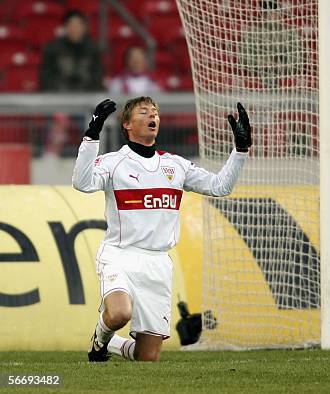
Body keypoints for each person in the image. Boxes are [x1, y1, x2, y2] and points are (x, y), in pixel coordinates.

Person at [72, 97, 251, 362]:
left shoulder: (175, 166)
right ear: (128, 125)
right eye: (143, 112)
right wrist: (92, 134)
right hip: (120, 254)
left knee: (147, 357)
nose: (152, 115)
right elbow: (82, 182)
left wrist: (240, 150)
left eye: (155, 111)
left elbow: (219, 186)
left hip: (157, 263)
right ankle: (100, 339)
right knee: (120, 313)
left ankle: (112, 346)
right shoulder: (114, 162)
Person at [238, 0, 305, 88]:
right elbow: (243, 58)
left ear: (280, 14)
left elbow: (299, 59)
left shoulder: (291, 33)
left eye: (274, 13)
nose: (271, 16)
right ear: (262, 15)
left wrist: (281, 65)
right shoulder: (251, 33)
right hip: (257, 75)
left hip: (285, 76)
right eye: (267, 13)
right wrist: (263, 62)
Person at [39, 10, 103, 91]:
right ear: (65, 28)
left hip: (87, 97)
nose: (74, 29)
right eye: (71, 25)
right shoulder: (53, 48)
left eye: (78, 25)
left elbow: (97, 77)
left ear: (84, 27)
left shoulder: (93, 49)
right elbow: (46, 77)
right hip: (59, 97)